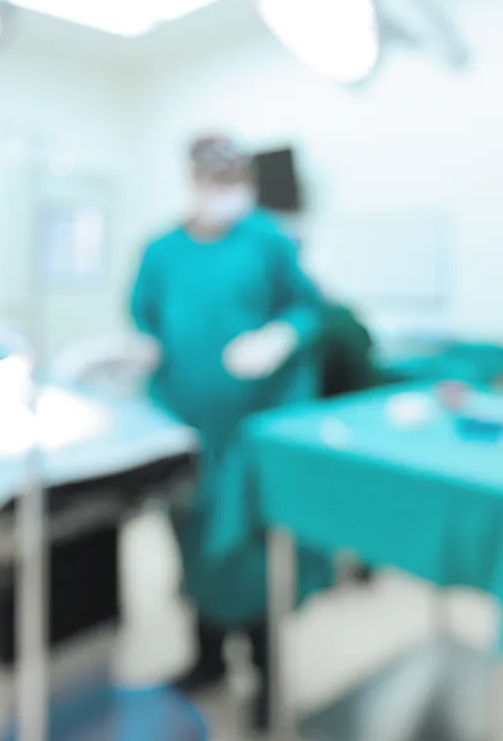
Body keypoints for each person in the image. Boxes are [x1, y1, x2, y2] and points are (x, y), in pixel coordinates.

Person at [129, 134, 330, 731]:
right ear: (192, 180)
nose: (225, 192)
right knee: (192, 543)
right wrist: (139, 350)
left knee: (253, 553)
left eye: (233, 180)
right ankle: (207, 659)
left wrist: (281, 337)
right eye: (214, 180)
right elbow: (143, 315)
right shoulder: (160, 250)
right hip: (186, 430)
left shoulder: (266, 239)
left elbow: (309, 308)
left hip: (251, 435)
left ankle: (269, 680)